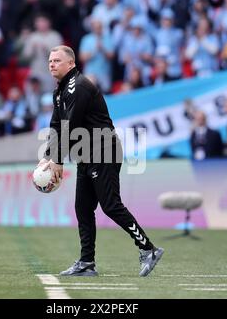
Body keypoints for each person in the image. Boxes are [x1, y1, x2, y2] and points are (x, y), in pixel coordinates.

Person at [37, 45, 163, 277]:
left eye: (57, 60)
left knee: (111, 205)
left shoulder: (79, 87)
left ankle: (149, 249)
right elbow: (56, 127)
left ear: (71, 63)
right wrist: (47, 158)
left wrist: (57, 161)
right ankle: (86, 263)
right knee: (83, 207)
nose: (52, 64)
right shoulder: (59, 92)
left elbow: (71, 126)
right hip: (87, 154)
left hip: (104, 150)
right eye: (50, 61)